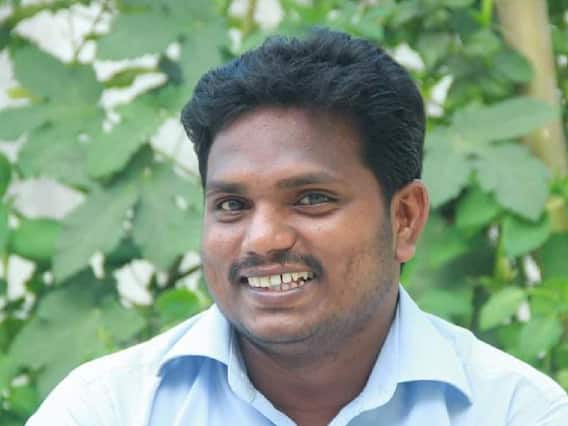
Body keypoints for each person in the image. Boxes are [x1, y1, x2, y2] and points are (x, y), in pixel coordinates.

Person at [28, 29, 567, 426]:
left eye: (311, 199)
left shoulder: (515, 412)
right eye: (232, 205)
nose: (263, 239)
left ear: (404, 219)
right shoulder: (108, 409)